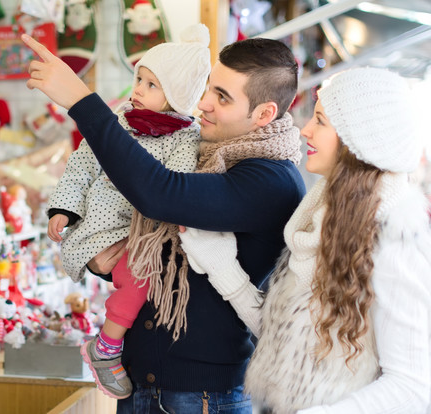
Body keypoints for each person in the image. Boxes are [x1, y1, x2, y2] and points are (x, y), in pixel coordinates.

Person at [23, 34, 306, 412]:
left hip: (200, 395)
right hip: (146, 382)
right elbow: (161, 255)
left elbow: (161, 195)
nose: (202, 103)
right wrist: (102, 251)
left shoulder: (269, 180)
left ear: (264, 114)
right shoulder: (204, 151)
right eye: (208, 88)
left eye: (222, 97)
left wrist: (81, 100)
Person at [179, 67, 431, 413]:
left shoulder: (394, 239)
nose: (306, 130)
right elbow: (286, 339)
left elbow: (412, 386)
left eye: (321, 121)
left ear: (358, 139)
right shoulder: (325, 218)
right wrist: (222, 266)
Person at [47, 24, 211, 400]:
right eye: (139, 79)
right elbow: (81, 166)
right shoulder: (118, 123)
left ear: (178, 96)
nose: (137, 89)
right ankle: (106, 347)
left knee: (145, 276)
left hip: (142, 235)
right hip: (98, 229)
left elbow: (176, 185)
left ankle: (108, 342)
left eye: (151, 85)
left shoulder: (186, 137)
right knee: (139, 278)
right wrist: (64, 208)